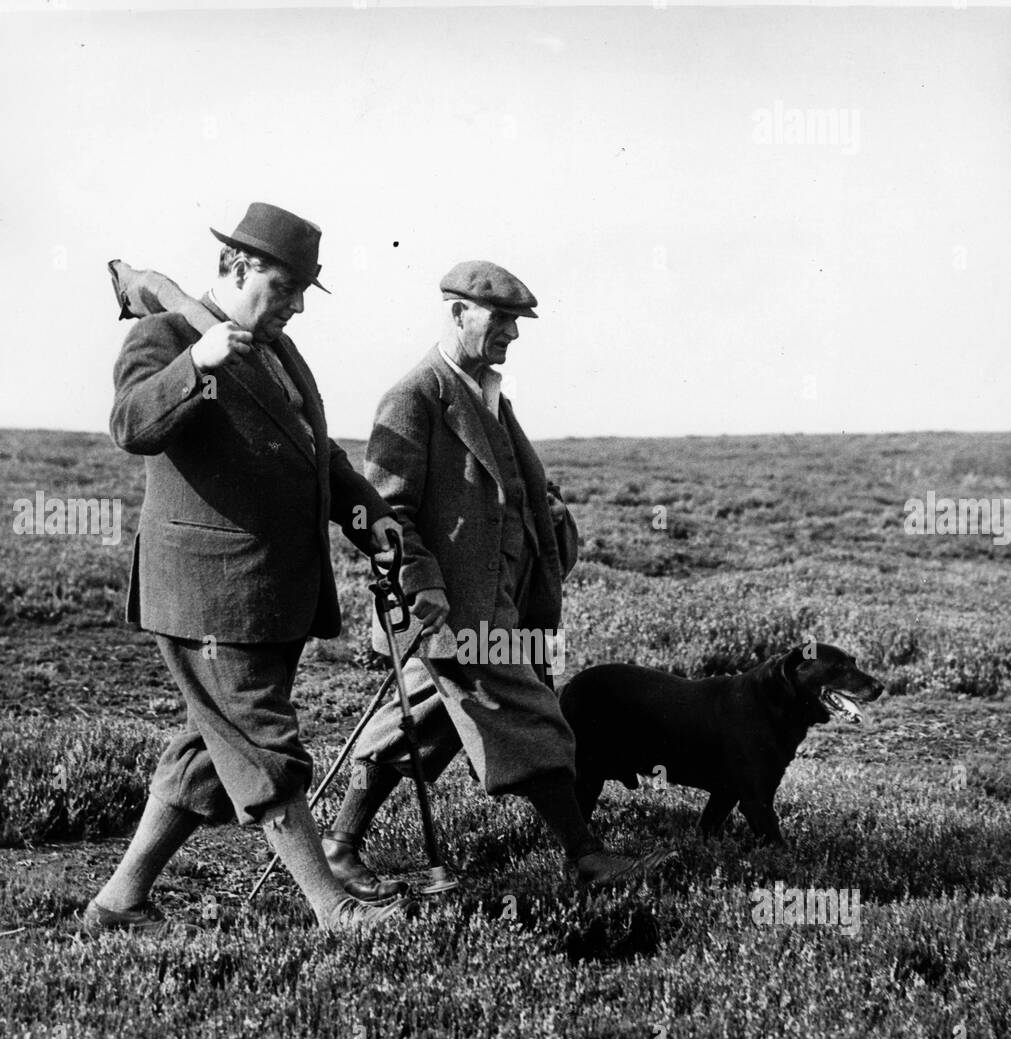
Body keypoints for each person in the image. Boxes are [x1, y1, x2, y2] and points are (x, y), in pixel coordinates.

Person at [81, 202, 407, 936]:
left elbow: (315, 458)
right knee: (263, 741)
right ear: (235, 268)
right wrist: (195, 365)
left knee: (209, 747)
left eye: (301, 293)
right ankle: (334, 907)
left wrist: (368, 519)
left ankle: (119, 900)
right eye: (285, 288)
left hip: (270, 594)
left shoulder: (279, 353)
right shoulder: (166, 335)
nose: (294, 306)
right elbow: (130, 424)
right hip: (210, 593)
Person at [322, 260, 664, 889]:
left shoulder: (487, 395)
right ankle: (585, 856)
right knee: (532, 714)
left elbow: (510, 490)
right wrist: (420, 579)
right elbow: (385, 511)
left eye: (516, 319)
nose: (512, 331)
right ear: (459, 313)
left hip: (495, 602)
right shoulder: (414, 396)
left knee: (420, 721)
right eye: (501, 317)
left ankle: (339, 845)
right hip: (448, 609)